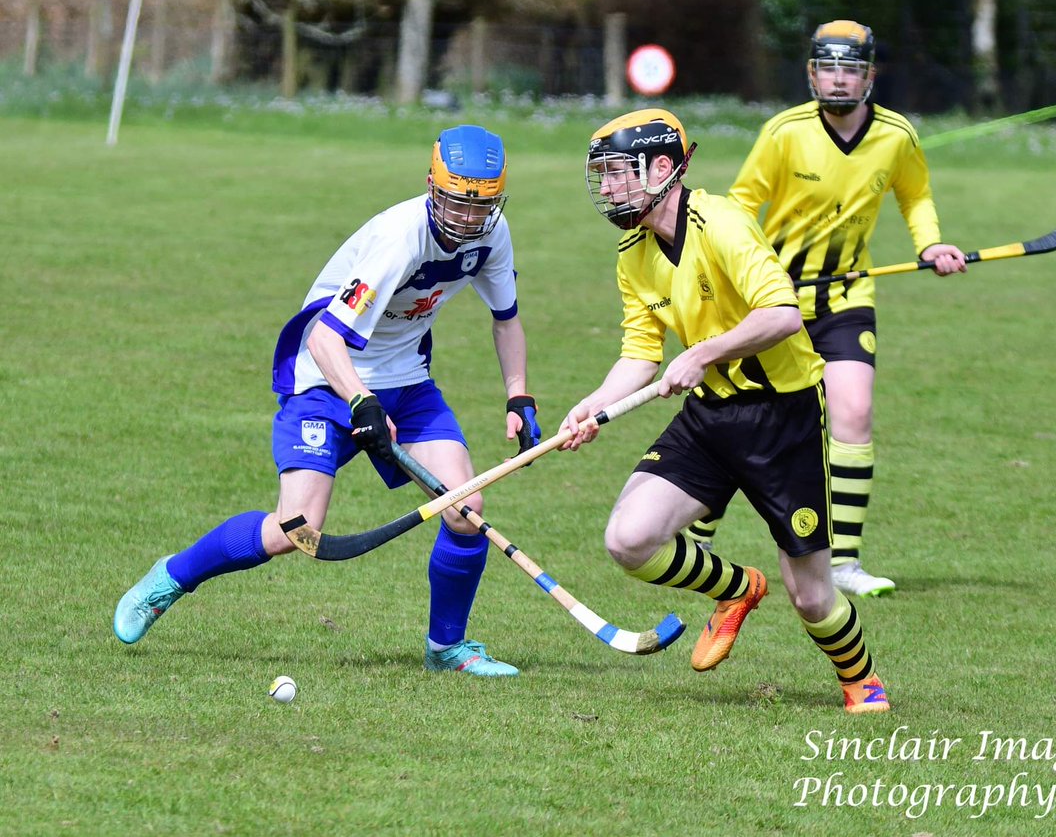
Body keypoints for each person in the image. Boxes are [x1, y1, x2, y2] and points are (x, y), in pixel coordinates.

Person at [113, 125, 540, 677]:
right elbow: (323, 336)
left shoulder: (492, 234)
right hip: (324, 377)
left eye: (480, 206)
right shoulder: (398, 239)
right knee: (297, 528)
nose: (466, 219)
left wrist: (518, 394)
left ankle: (447, 649)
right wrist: (360, 400)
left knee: (465, 507)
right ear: (432, 186)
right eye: (457, 202)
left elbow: (506, 320)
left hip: (406, 380)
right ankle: (170, 578)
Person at [562, 107, 890, 714]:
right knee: (629, 540)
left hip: (782, 420)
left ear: (662, 168)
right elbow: (639, 354)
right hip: (711, 417)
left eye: (615, 173)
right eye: (601, 175)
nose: (606, 188)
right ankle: (738, 590)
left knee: (813, 597)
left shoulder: (722, 222)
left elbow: (783, 315)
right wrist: (591, 406)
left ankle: (861, 679)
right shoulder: (633, 254)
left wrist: (705, 351)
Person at [686, 20, 965, 596]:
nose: (839, 78)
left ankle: (843, 563)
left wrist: (931, 243)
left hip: (845, 299)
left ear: (870, 74)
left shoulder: (897, 136)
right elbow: (739, 208)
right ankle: (697, 534)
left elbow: (915, 195)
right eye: (828, 66)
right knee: (740, 415)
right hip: (773, 301)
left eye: (851, 67)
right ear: (812, 72)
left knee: (854, 415)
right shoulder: (784, 132)